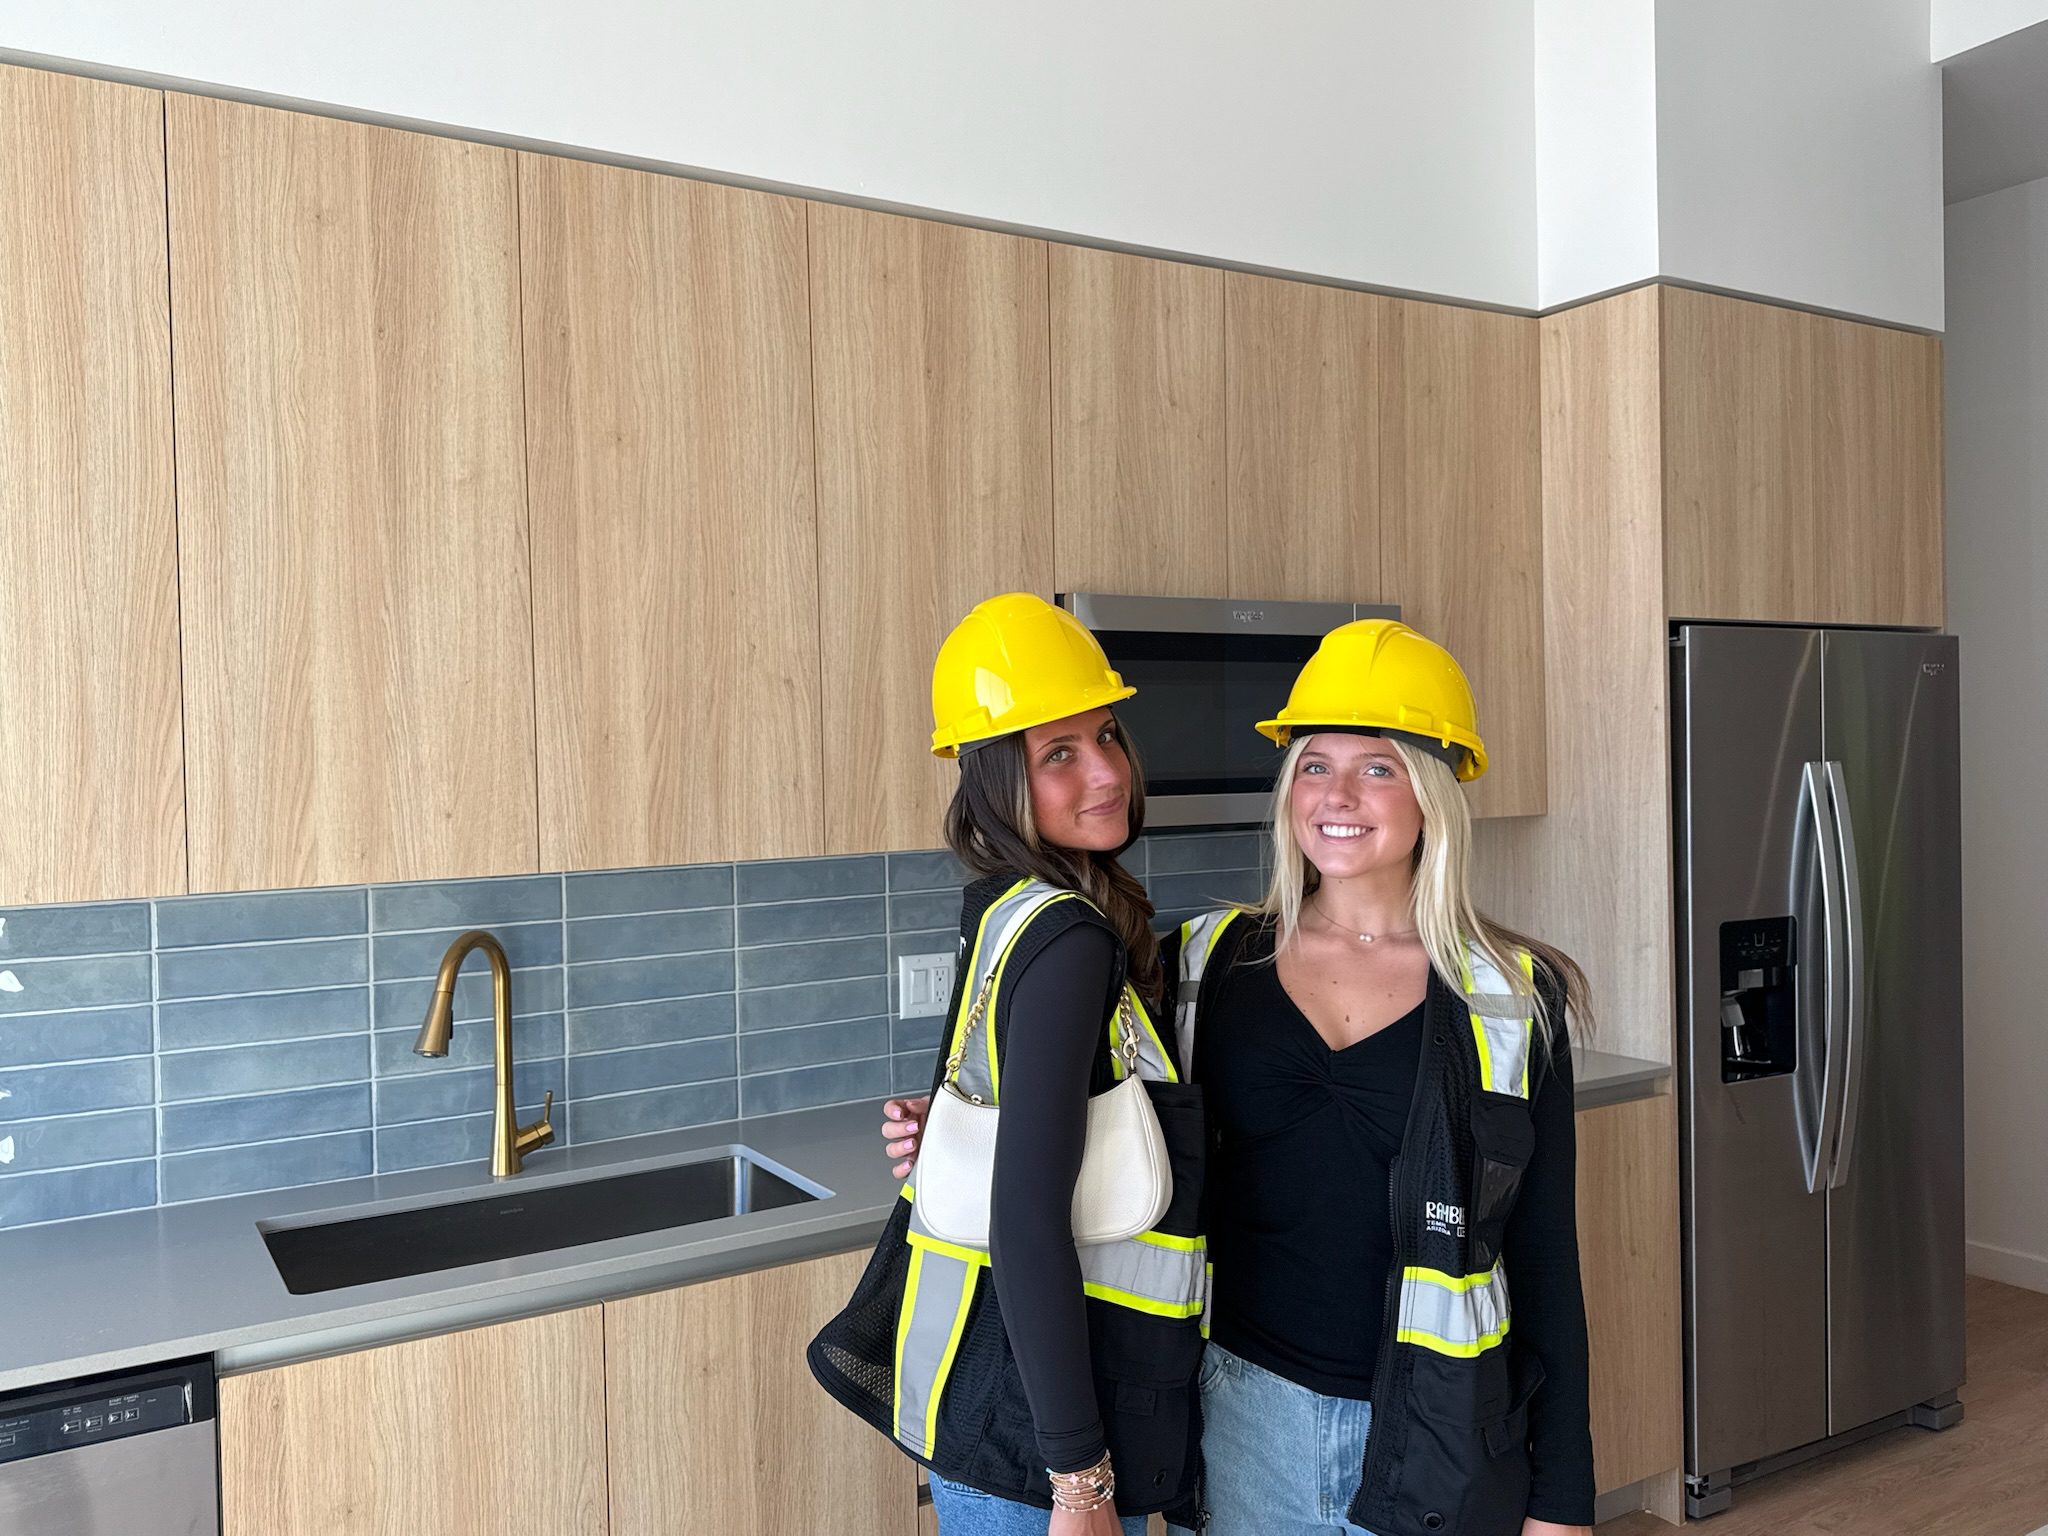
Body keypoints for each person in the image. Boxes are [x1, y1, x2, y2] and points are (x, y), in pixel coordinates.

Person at [887, 618, 1596, 1536]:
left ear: (1434, 787)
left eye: (1377, 766)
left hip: (1443, 1439)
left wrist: (1564, 1503)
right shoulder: (1202, 966)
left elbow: (1545, 1263)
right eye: (1312, 764)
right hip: (1235, 1425)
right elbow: (1072, 1124)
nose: (1337, 793)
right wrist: (942, 1128)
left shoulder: (1513, 996)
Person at [811, 592, 1206, 1535]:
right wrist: (1083, 1483)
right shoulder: (1069, 938)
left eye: (1107, 736)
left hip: (984, 1409)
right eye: (1058, 753)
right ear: (994, 779)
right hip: (1041, 1447)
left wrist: (954, 1123)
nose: (1106, 772)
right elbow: (1026, 1222)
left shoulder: (1003, 906)